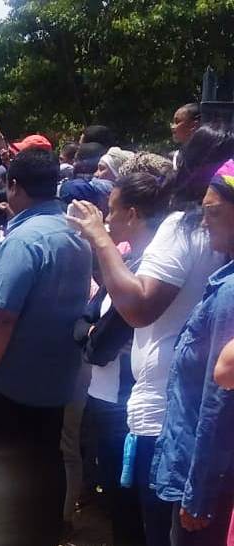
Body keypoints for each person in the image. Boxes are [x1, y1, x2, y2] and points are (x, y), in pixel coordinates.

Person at [66, 124, 234, 546]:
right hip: (193, 411)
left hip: (166, 417)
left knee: (153, 529)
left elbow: (139, 307)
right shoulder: (213, 233)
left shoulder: (184, 226)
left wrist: (99, 238)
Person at [0, 148, 92, 546]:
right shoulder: (75, 235)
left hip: (10, 385)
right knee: (45, 471)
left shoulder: (24, 241)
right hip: (54, 382)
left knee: (12, 484)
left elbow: (2, 316)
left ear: (14, 186)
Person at [75, 173, 169, 545]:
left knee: (128, 505)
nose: (106, 219)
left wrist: (89, 334)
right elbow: (87, 318)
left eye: (111, 211)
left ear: (132, 214)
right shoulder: (127, 264)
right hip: (109, 396)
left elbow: (99, 342)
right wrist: (89, 332)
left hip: (121, 402)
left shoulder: (147, 271)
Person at [150, 172, 234, 546]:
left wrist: (198, 494)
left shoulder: (230, 293)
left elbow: (219, 401)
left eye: (212, 213)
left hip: (210, 485)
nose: (203, 222)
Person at [171, 103, 201, 168]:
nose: (172, 127)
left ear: (194, 125)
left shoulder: (208, 157)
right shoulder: (173, 158)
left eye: (177, 122)